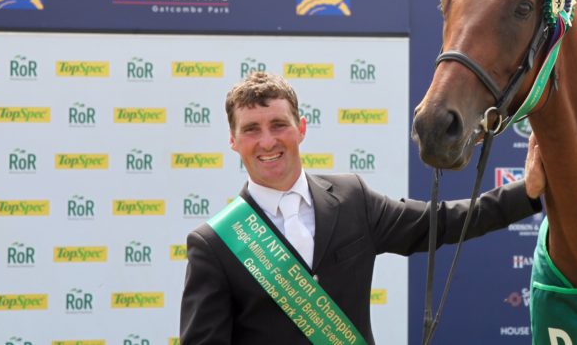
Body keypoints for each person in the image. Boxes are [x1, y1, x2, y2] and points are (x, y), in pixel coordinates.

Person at [180, 71, 546, 345]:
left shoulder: (351, 197)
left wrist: (527, 192)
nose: (267, 141)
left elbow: (443, 222)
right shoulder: (214, 244)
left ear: (301, 128)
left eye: (279, 124)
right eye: (251, 130)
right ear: (232, 141)